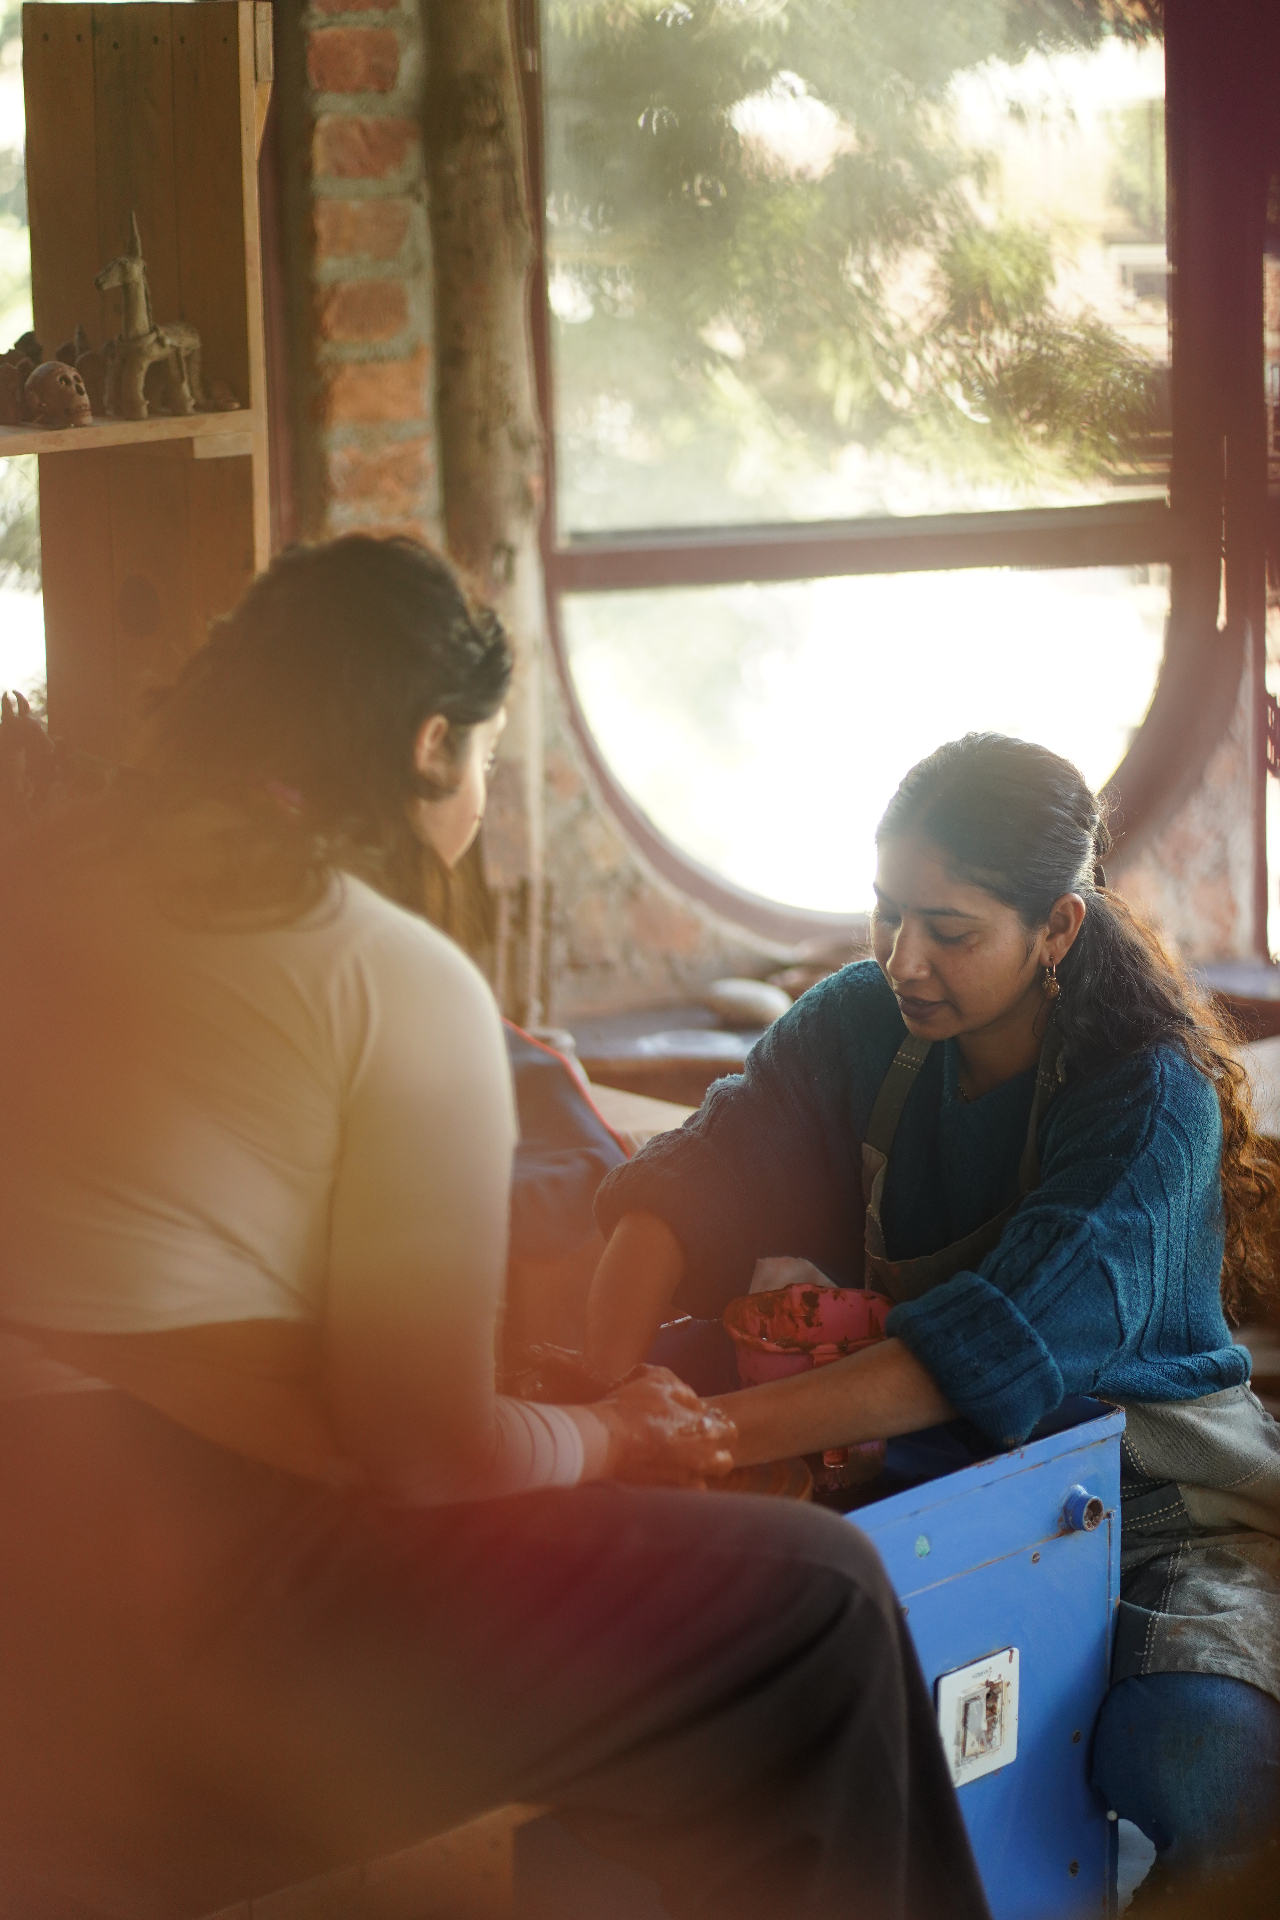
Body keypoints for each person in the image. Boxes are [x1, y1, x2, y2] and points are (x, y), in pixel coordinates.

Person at [0, 537, 988, 1920]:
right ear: (424, 745)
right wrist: (620, 1433)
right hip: (178, 1631)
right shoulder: (387, 978)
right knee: (816, 1604)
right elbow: (429, 1454)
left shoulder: (44, 882)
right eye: (482, 762)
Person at [586, 732, 1280, 1892]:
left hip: (1156, 1500)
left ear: (1055, 928)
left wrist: (689, 1439)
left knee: (1194, 1761)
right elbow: (677, 1189)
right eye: (884, 913)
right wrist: (601, 1391)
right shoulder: (859, 1023)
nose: (903, 959)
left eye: (948, 933)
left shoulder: (1145, 1096)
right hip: (931, 1467)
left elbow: (982, 1347)